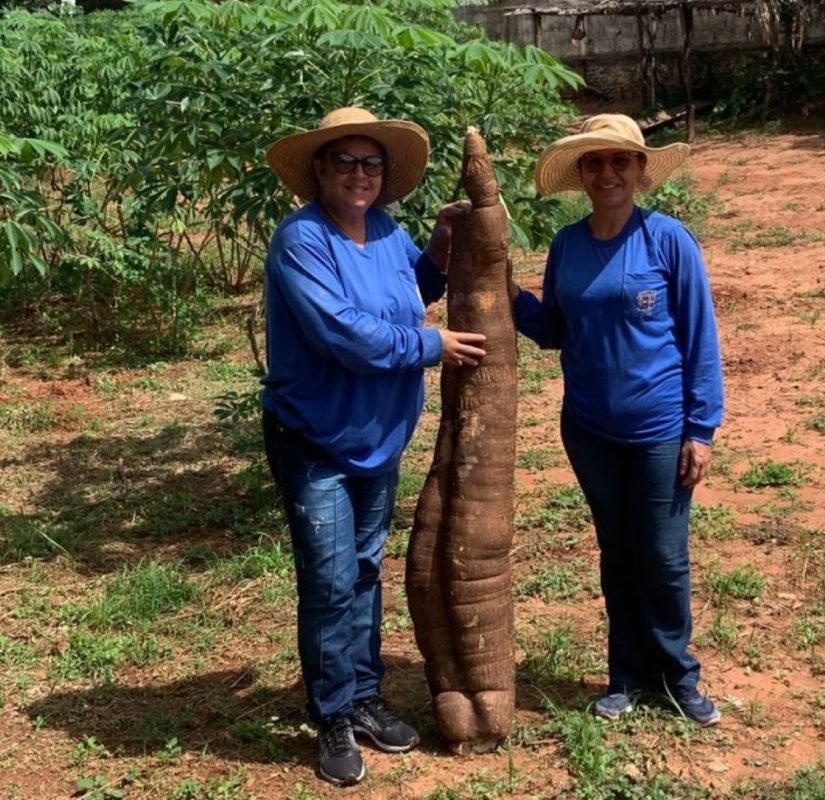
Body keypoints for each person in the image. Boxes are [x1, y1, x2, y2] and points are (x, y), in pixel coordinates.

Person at [262, 107, 486, 787]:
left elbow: (405, 294)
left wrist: (440, 250)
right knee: (330, 581)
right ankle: (331, 710)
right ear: (320, 171)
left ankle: (362, 694)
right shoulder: (300, 241)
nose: (359, 175)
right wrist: (432, 346)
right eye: (345, 162)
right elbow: (346, 335)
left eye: (371, 164)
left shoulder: (387, 232)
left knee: (363, 569)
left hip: (377, 437)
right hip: (315, 437)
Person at [510, 114, 724, 726]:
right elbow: (554, 330)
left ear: (639, 170)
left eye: (619, 162)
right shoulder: (568, 246)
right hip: (589, 431)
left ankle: (676, 676)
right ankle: (626, 677)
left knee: (661, 555)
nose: (607, 173)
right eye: (594, 162)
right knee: (617, 552)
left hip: (659, 430)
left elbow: (700, 338)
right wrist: (509, 294)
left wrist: (700, 430)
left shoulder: (668, 240)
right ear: (581, 174)